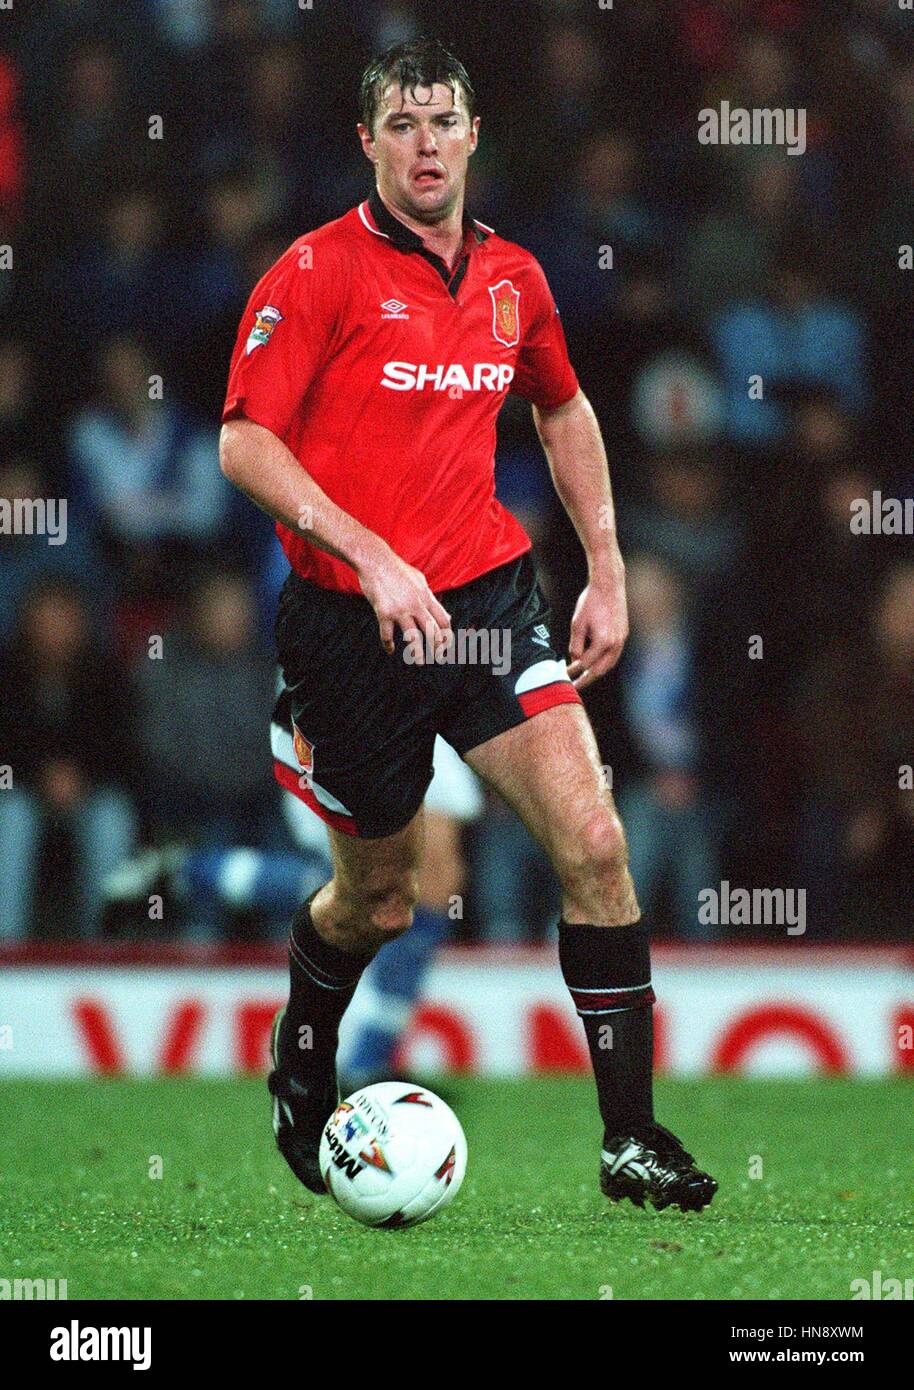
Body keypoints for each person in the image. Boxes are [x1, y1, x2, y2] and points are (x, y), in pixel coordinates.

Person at [219, 39, 716, 1213]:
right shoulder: (314, 270)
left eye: (443, 121)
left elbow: (563, 406)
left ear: (475, 134)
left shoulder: (515, 279)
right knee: (381, 900)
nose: (425, 143)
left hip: (488, 607)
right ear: (367, 141)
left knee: (594, 844)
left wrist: (606, 566)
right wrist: (371, 552)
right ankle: (303, 1062)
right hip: (350, 628)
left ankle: (630, 1138)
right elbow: (243, 442)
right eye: (401, 124)